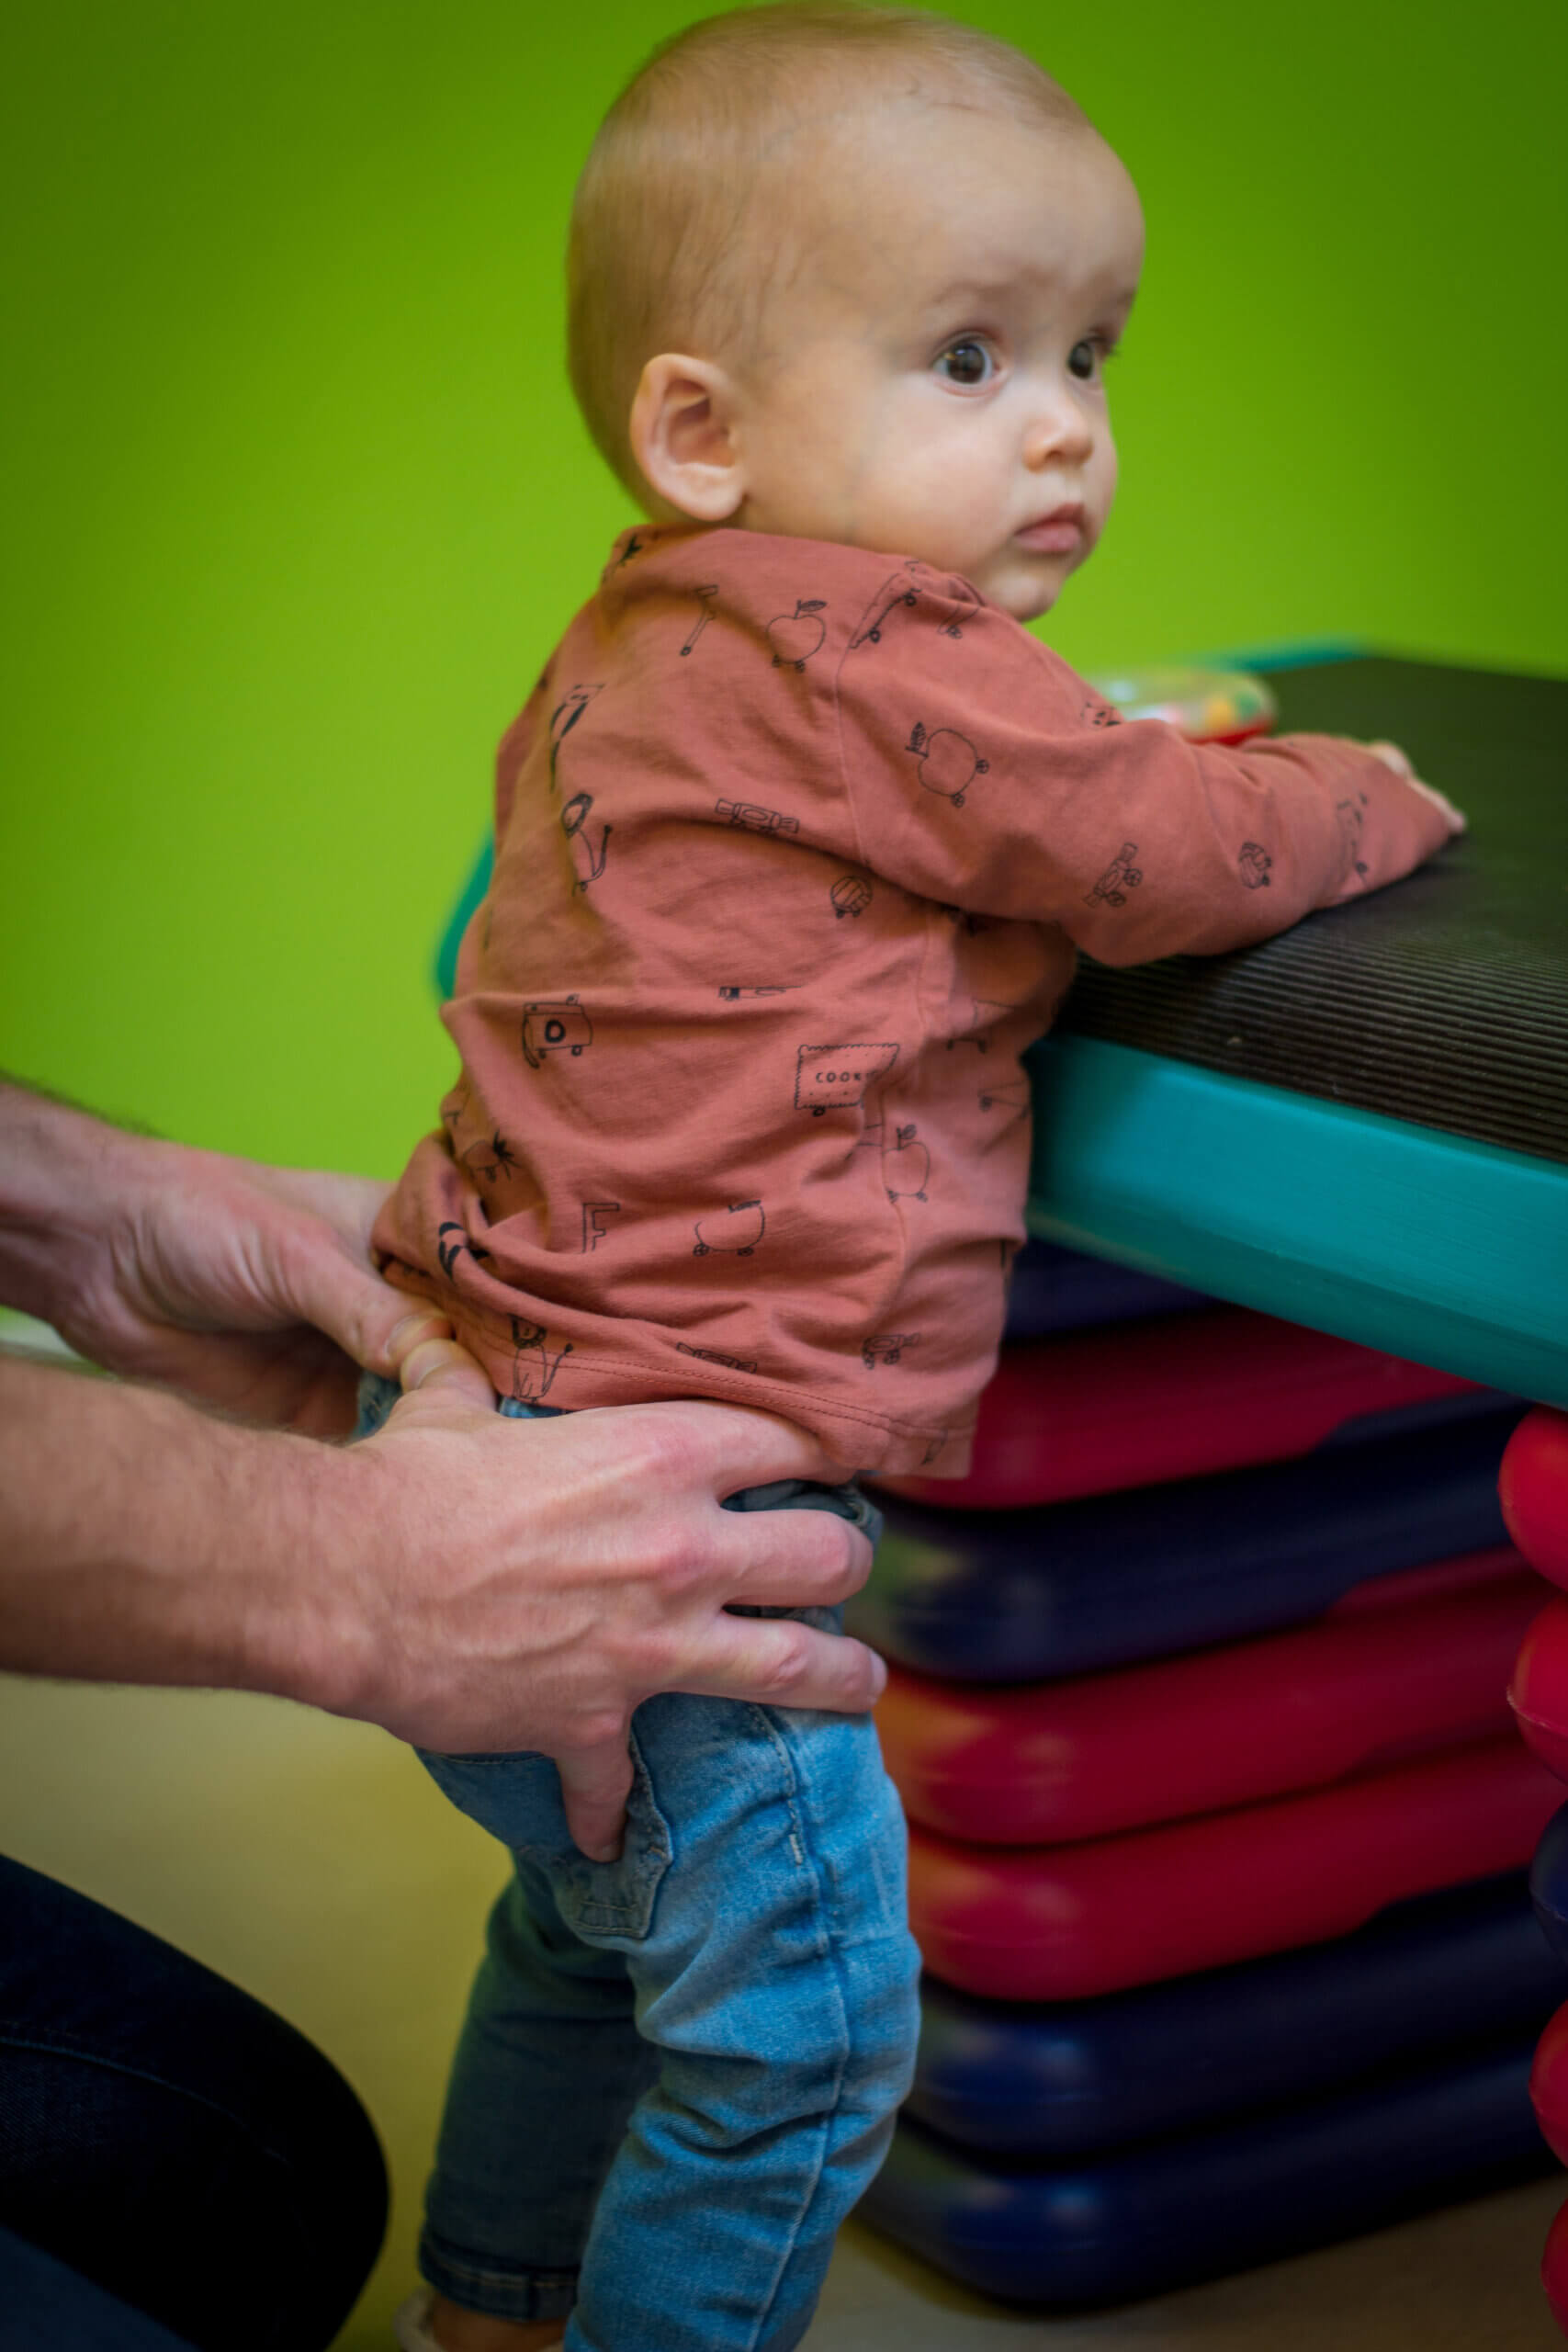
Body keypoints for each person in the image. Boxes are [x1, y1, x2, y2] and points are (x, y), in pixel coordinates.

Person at [364, 9, 1469, 2351]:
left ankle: (494, 2297)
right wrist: (1363, 786)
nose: (1063, 424)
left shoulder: (644, 636)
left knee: (584, 1930)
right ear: (702, 426)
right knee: (806, 2043)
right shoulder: (886, 655)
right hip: (672, 1517)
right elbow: (1147, 849)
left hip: (469, 1435)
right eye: (964, 357)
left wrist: (1091, 733)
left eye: (1086, 351)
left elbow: (967, 797)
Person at [0, 1078, 886, 2349]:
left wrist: (93, 1210)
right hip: (484, 1429)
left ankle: (485, 2323)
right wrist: (366, 1555)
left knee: (276, 2192)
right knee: (807, 2033)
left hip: (468, 1401)